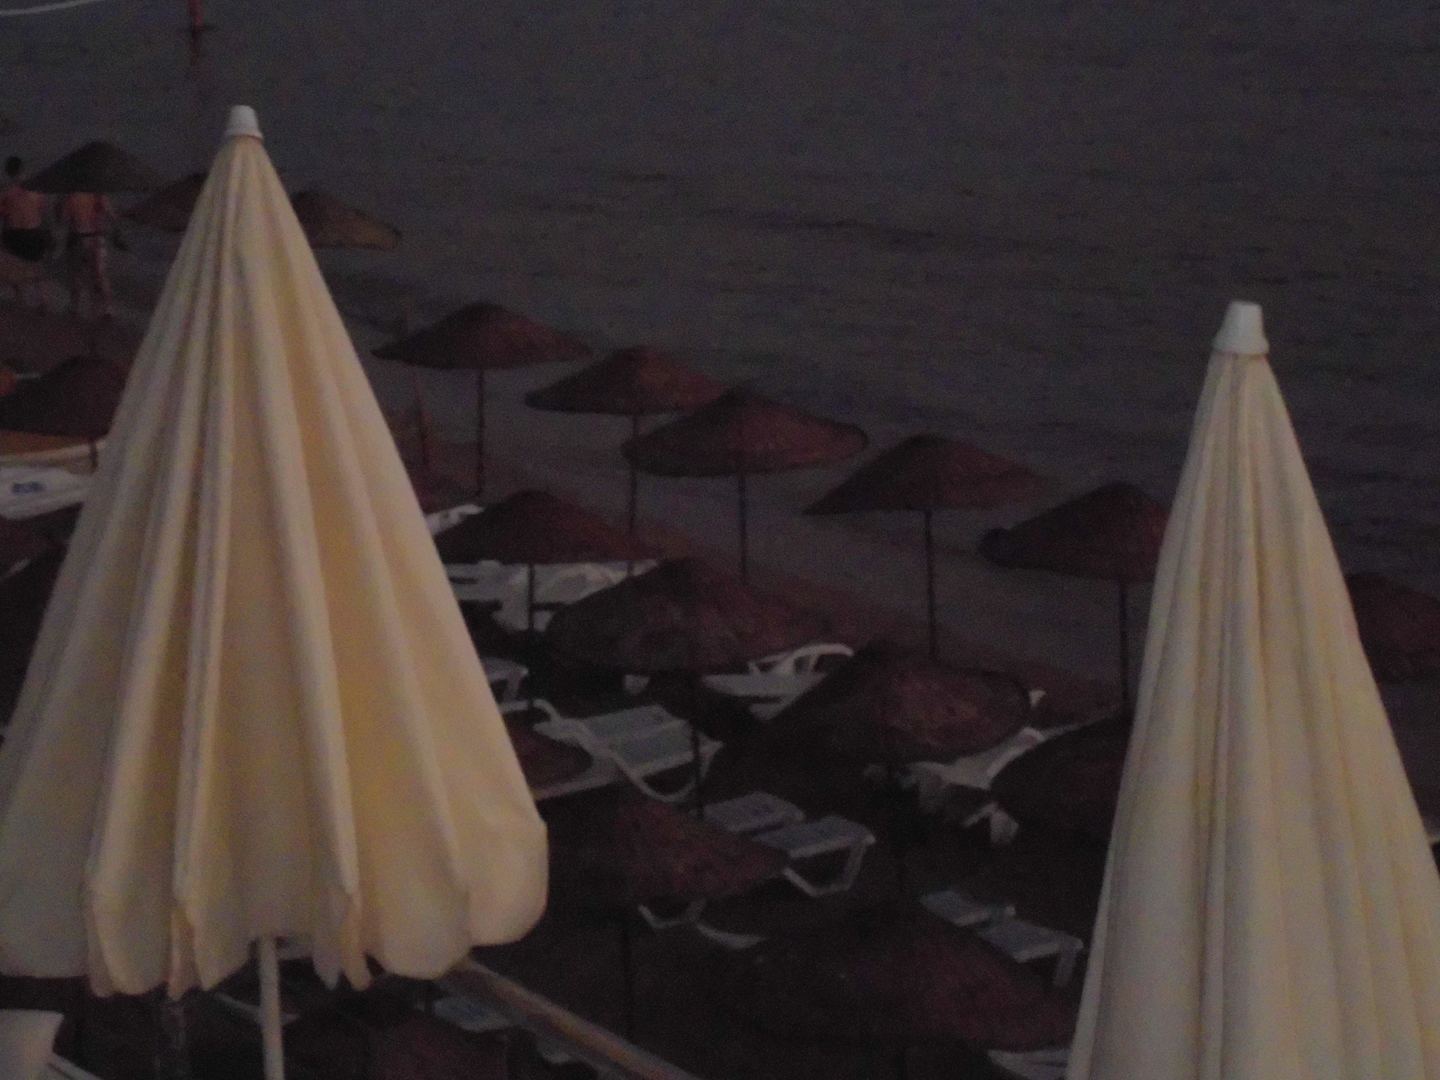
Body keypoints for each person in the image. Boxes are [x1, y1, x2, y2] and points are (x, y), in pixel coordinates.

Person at [58, 190, 117, 320]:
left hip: (79, 239)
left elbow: (63, 219)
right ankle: (108, 308)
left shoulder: (72, 197)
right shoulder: (99, 195)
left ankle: (74, 306)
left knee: (77, 273)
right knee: (100, 275)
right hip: (97, 238)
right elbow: (112, 217)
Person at [0, 157, 50, 307]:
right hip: (34, 232)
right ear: (23, 169)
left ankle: (19, 298)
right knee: (37, 268)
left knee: (12, 267)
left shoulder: (6, 192)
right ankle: (43, 299)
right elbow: (42, 212)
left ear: (8, 172)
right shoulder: (36, 191)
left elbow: (3, 214)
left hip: (14, 234)